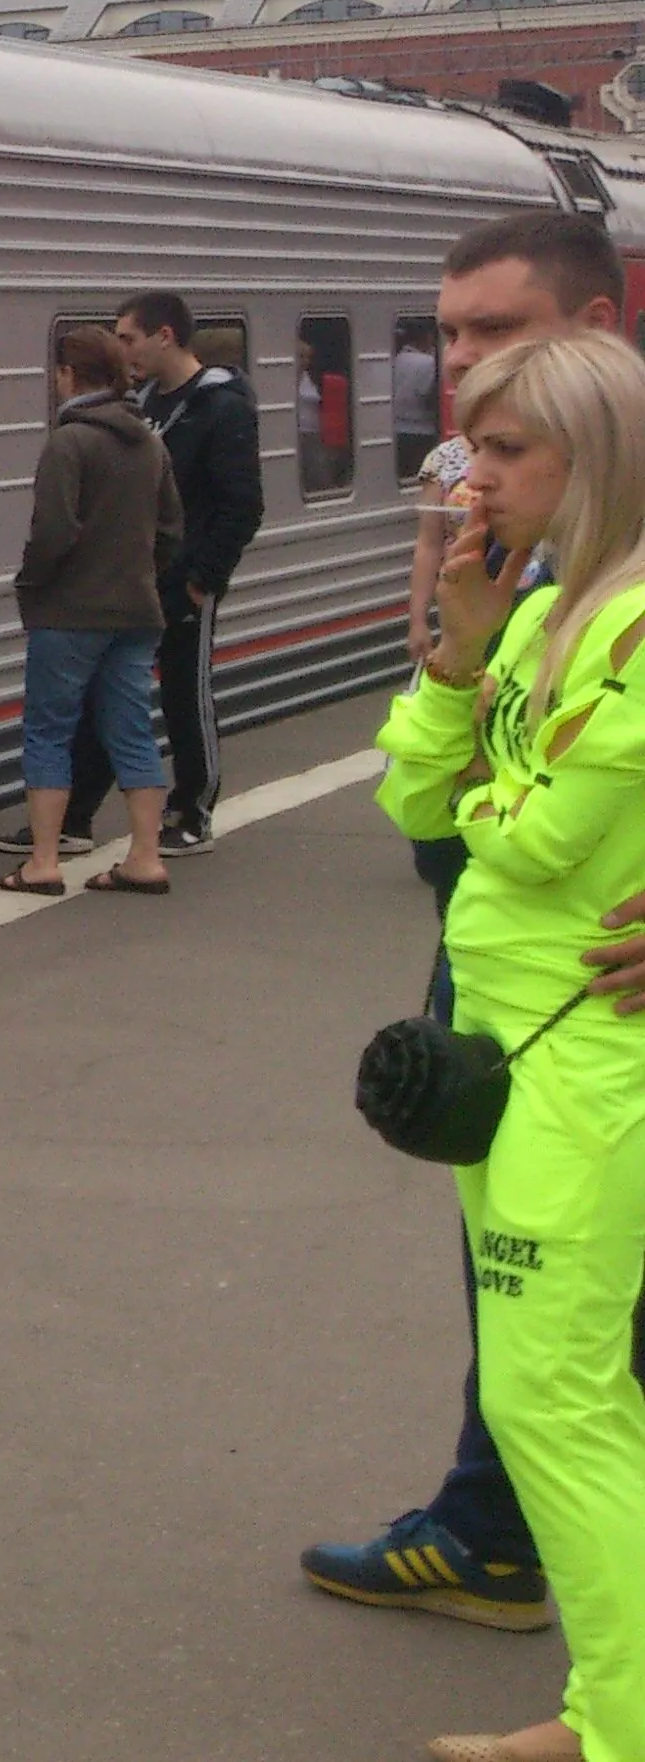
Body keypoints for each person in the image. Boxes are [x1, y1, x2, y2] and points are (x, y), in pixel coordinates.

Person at [311, 208, 631, 1634]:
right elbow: (441, 692)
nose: (458, 371)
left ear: (600, 328)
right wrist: (449, 643)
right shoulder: (483, 479)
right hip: (501, 939)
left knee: (574, 1306)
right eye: (446, 334)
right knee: (517, 1273)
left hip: (602, 981)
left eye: (495, 332)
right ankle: (501, 1535)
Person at [377, 332, 645, 1762]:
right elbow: (413, 793)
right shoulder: (543, 613)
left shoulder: (633, 622)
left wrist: (484, 788)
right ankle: (611, 1708)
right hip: (511, 1048)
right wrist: (464, 656)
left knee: (555, 1396)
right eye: (473, 444)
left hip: (589, 1057)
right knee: (561, 1398)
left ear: (591, 460)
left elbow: (533, 839)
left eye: (508, 449)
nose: (474, 476)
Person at [37, 292, 262, 856]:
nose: (123, 351)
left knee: (186, 692)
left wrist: (201, 578)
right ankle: (77, 814)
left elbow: (242, 505)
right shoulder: (142, 405)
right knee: (107, 694)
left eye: (129, 338)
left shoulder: (222, 407)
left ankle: (193, 809)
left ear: (165, 336)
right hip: (136, 578)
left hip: (185, 579)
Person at [0, 326, 179, 896]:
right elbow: (172, 531)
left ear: (70, 376)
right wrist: (141, 574)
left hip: (70, 614)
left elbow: (52, 530)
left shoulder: (68, 443)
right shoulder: (151, 442)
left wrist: (31, 586)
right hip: (135, 612)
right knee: (131, 730)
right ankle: (145, 857)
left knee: (49, 732)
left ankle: (44, 862)